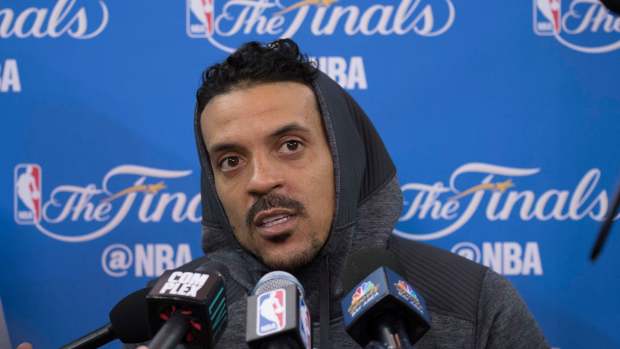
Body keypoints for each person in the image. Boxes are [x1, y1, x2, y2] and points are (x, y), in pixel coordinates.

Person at [150, 39, 549, 348]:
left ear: (345, 159)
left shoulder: (470, 301)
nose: (260, 180)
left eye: (290, 145)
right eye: (231, 161)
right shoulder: (180, 323)